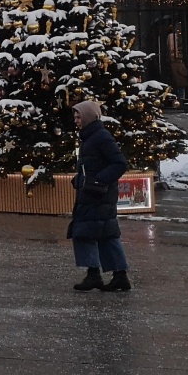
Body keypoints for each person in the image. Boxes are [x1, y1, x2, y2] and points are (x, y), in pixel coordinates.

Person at [68, 99, 130, 292]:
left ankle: (94, 274)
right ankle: (119, 275)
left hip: (98, 195)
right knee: (104, 234)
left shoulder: (100, 137)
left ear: (88, 117)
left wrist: (98, 180)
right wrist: (80, 180)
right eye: (75, 117)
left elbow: (119, 163)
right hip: (93, 193)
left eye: (79, 117)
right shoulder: (89, 136)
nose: (76, 120)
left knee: (85, 233)